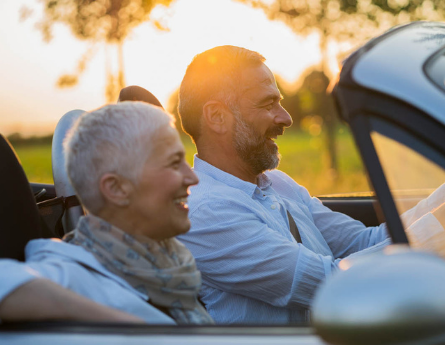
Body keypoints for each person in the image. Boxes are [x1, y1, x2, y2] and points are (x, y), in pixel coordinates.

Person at [176, 45, 392, 324]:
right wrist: (435, 232)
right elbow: (333, 283)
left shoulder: (277, 182)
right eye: (268, 104)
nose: (286, 118)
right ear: (217, 117)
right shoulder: (207, 212)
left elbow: (363, 242)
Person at [0, 102, 213, 325]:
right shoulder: (75, 274)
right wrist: (133, 327)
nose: (192, 178)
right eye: (173, 163)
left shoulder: (170, 262)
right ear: (116, 189)